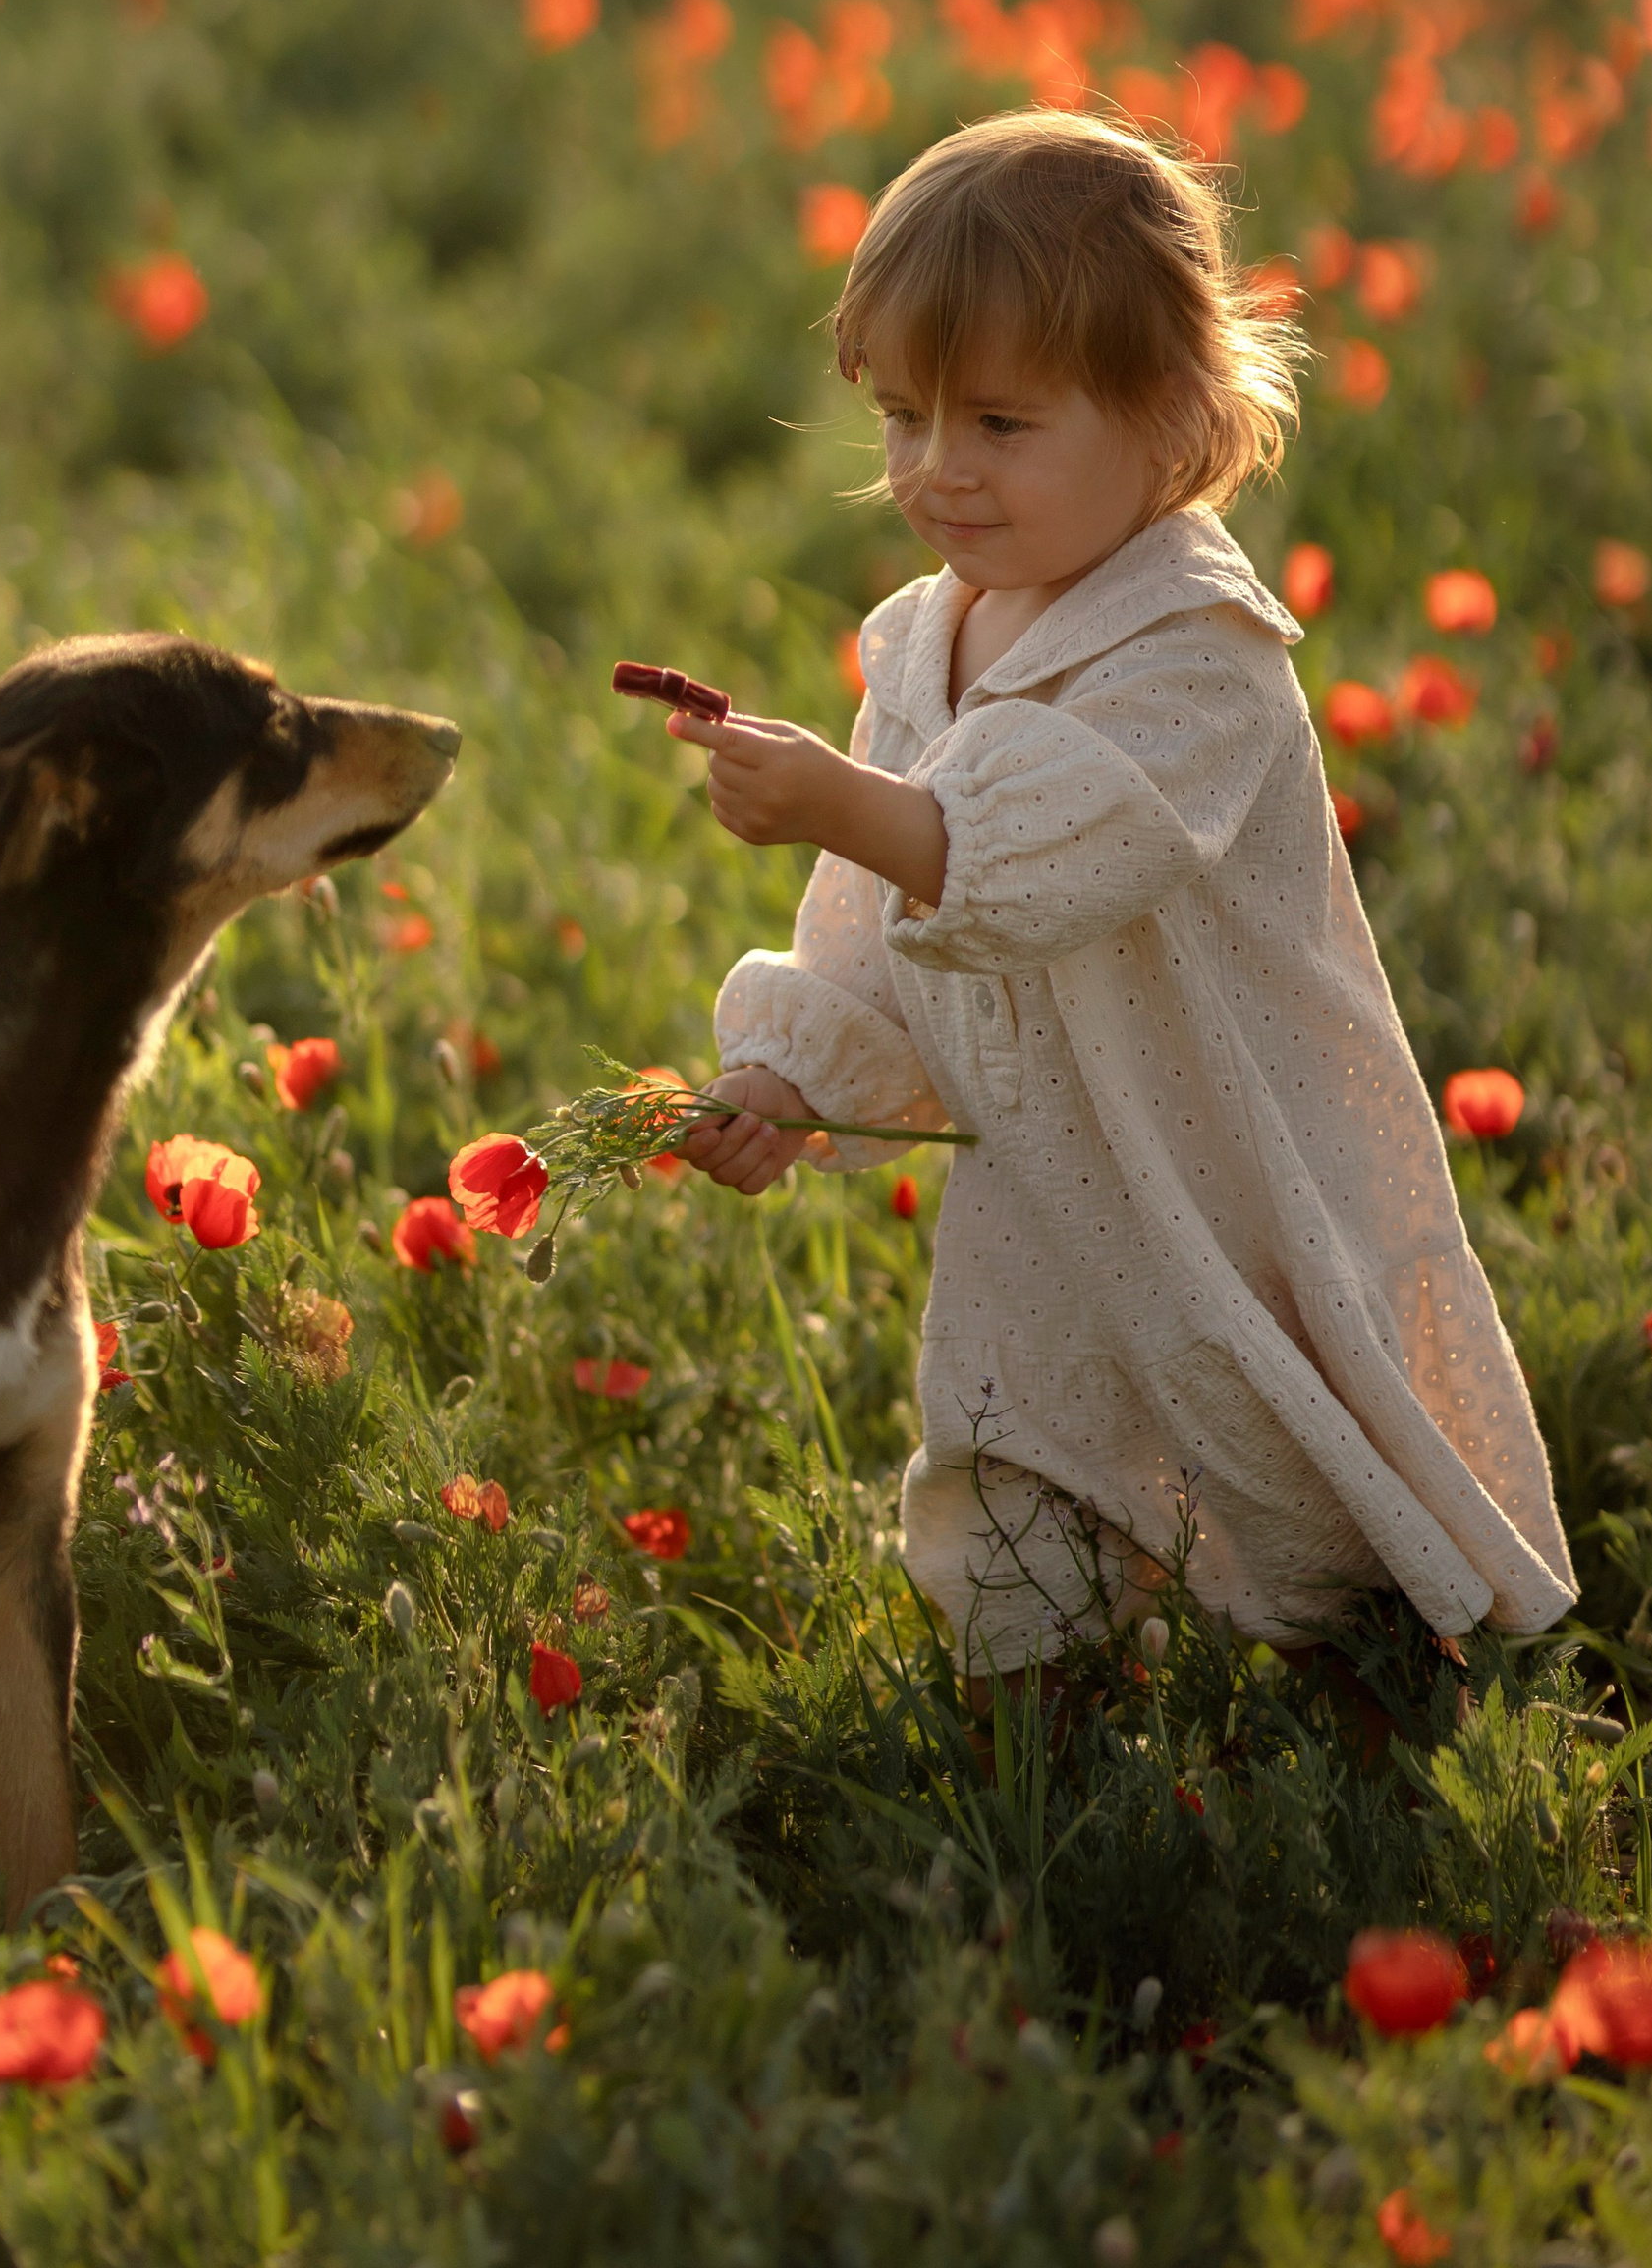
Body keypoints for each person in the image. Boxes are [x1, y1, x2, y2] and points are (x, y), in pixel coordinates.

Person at [672, 108, 1574, 1691]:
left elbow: (1037, 855)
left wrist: (841, 797)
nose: (937, 472)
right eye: (903, 419)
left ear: (1164, 417)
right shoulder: (918, 643)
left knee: (1276, 1437)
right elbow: (873, 916)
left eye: (1001, 426)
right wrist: (790, 1077)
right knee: (1014, 1431)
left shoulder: (1201, 650)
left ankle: (1369, 1678)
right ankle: (1043, 1726)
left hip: (1218, 1153)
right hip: (1041, 1162)